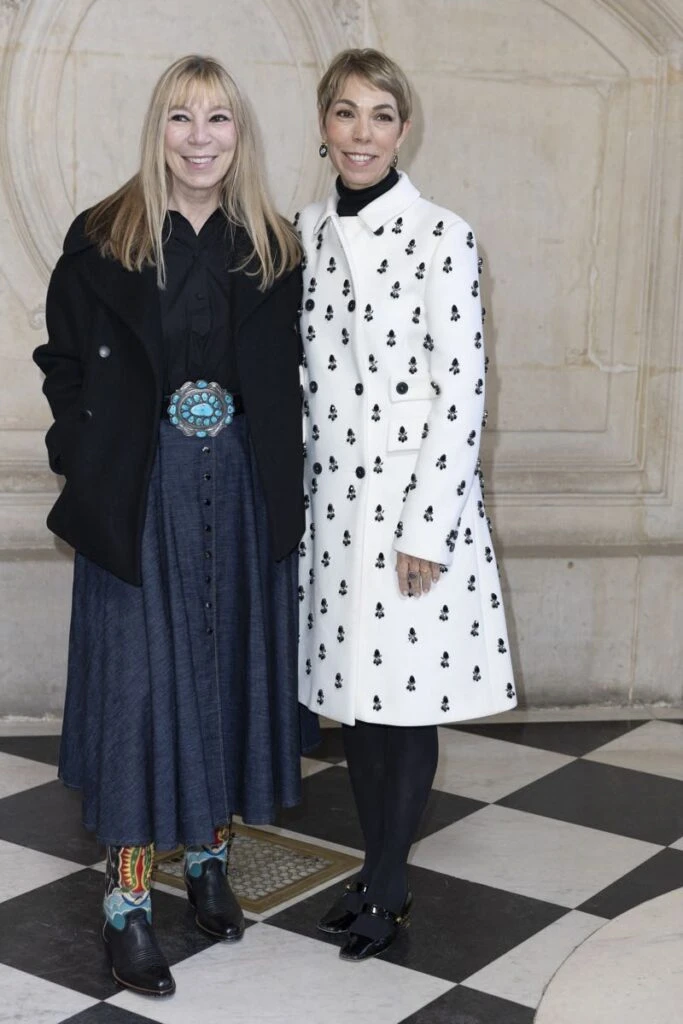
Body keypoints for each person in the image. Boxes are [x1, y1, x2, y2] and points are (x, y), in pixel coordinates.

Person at [33, 54, 315, 997]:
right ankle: (125, 906)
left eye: (219, 120)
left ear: (242, 134)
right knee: (139, 688)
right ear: (157, 129)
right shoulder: (102, 235)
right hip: (136, 489)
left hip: (237, 487)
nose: (200, 138)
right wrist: (84, 452)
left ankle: (207, 863)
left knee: (222, 666)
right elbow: (62, 360)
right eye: (181, 119)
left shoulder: (273, 242)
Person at [297, 48, 516, 962]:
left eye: (381, 115)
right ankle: (373, 864)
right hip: (332, 509)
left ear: (403, 128)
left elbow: (461, 390)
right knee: (358, 702)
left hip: (411, 507)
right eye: (346, 114)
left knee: (406, 701)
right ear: (323, 126)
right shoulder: (300, 231)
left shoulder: (443, 234)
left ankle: (388, 882)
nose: (362, 134)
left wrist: (427, 526)